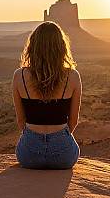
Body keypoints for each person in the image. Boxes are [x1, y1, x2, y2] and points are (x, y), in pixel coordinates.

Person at [12, 21, 82, 169]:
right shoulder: (73, 76)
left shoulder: (19, 76)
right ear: (61, 47)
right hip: (64, 155)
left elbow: (20, 121)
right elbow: (74, 121)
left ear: (33, 47)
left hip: (29, 154)